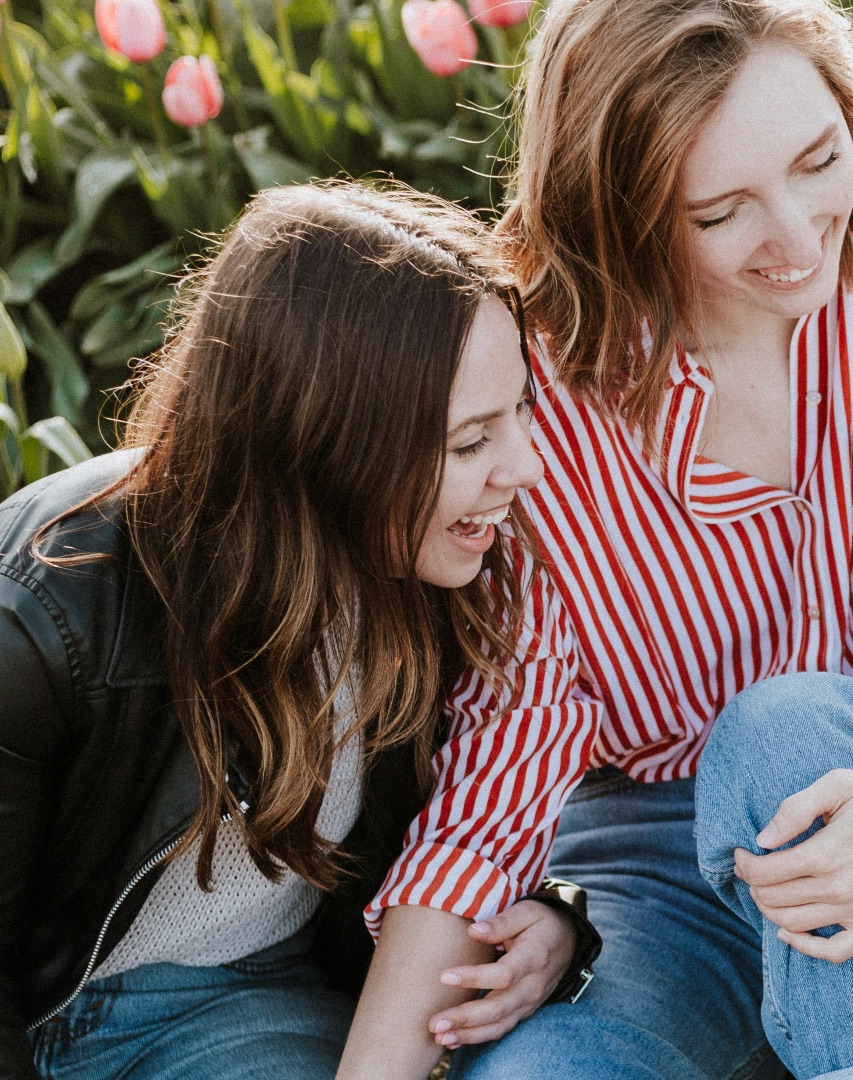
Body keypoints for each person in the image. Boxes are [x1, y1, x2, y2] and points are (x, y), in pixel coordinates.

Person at [392, 0, 853, 1077]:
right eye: (721, 213)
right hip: (659, 870)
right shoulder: (539, 378)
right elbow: (506, 754)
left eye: (819, 161)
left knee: (788, 729)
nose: (801, 238)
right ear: (614, 216)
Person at [1, 182, 600, 1080]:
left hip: (231, 1001)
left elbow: (471, 823)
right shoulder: (52, 610)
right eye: (471, 441)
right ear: (326, 447)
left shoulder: (454, 582)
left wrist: (552, 919)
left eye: (521, 411)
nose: (525, 464)